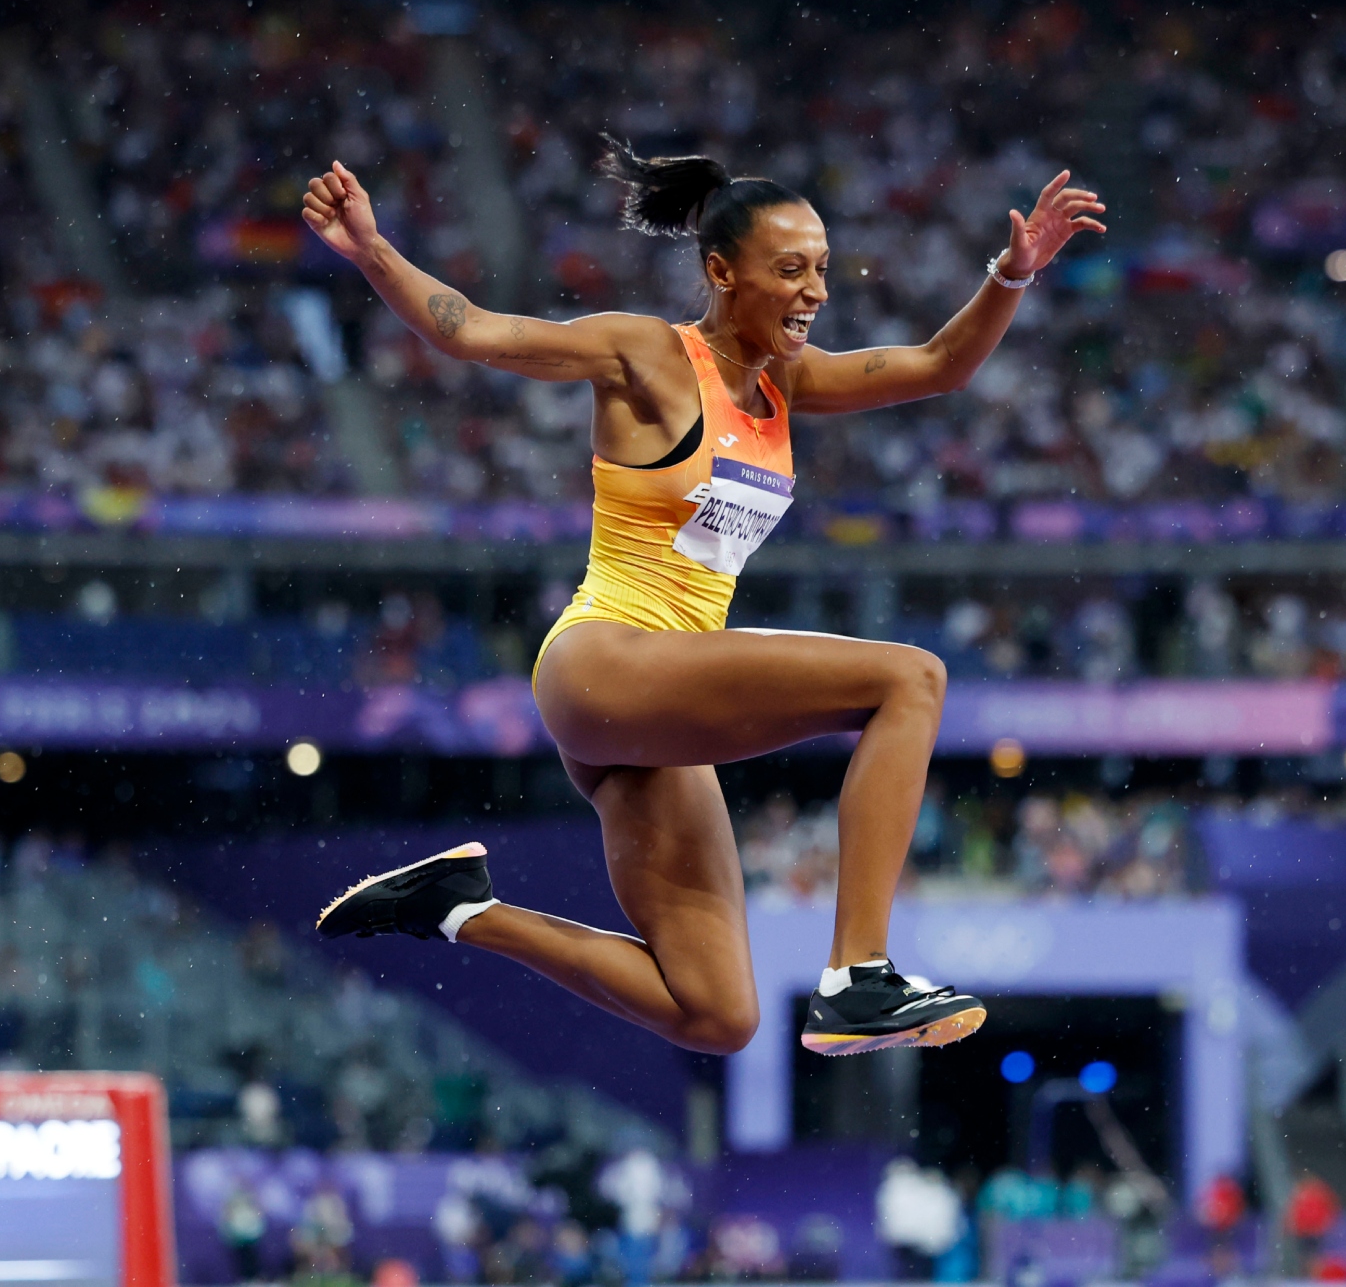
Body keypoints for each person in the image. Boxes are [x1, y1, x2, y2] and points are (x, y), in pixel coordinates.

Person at [305, 138, 1104, 1055]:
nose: (817, 292)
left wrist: (1012, 272)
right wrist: (372, 249)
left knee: (718, 1014)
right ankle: (860, 975)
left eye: (824, 271)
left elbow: (937, 364)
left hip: (656, 723)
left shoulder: (788, 382)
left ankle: (455, 910)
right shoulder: (645, 355)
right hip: (606, 664)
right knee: (910, 678)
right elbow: (472, 330)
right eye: (792, 270)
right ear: (722, 272)